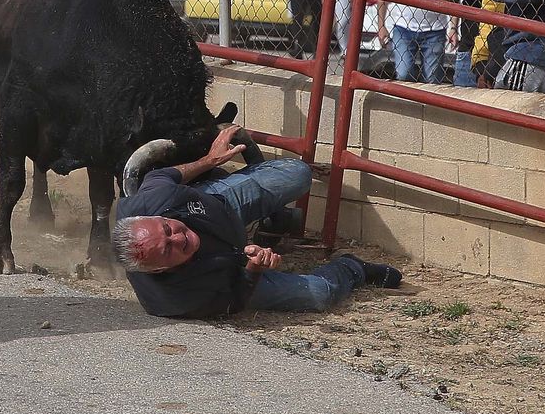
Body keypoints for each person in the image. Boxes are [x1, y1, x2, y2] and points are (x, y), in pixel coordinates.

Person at [111, 124, 401, 318]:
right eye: (167, 249)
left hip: (219, 204)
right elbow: (237, 300)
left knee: (298, 173)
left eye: (167, 228)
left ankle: (264, 212)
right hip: (230, 270)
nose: (178, 237)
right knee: (320, 295)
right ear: (160, 269)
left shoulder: (150, 201)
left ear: (158, 217)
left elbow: (161, 176)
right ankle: (354, 268)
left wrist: (210, 160)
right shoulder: (176, 299)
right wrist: (253, 269)